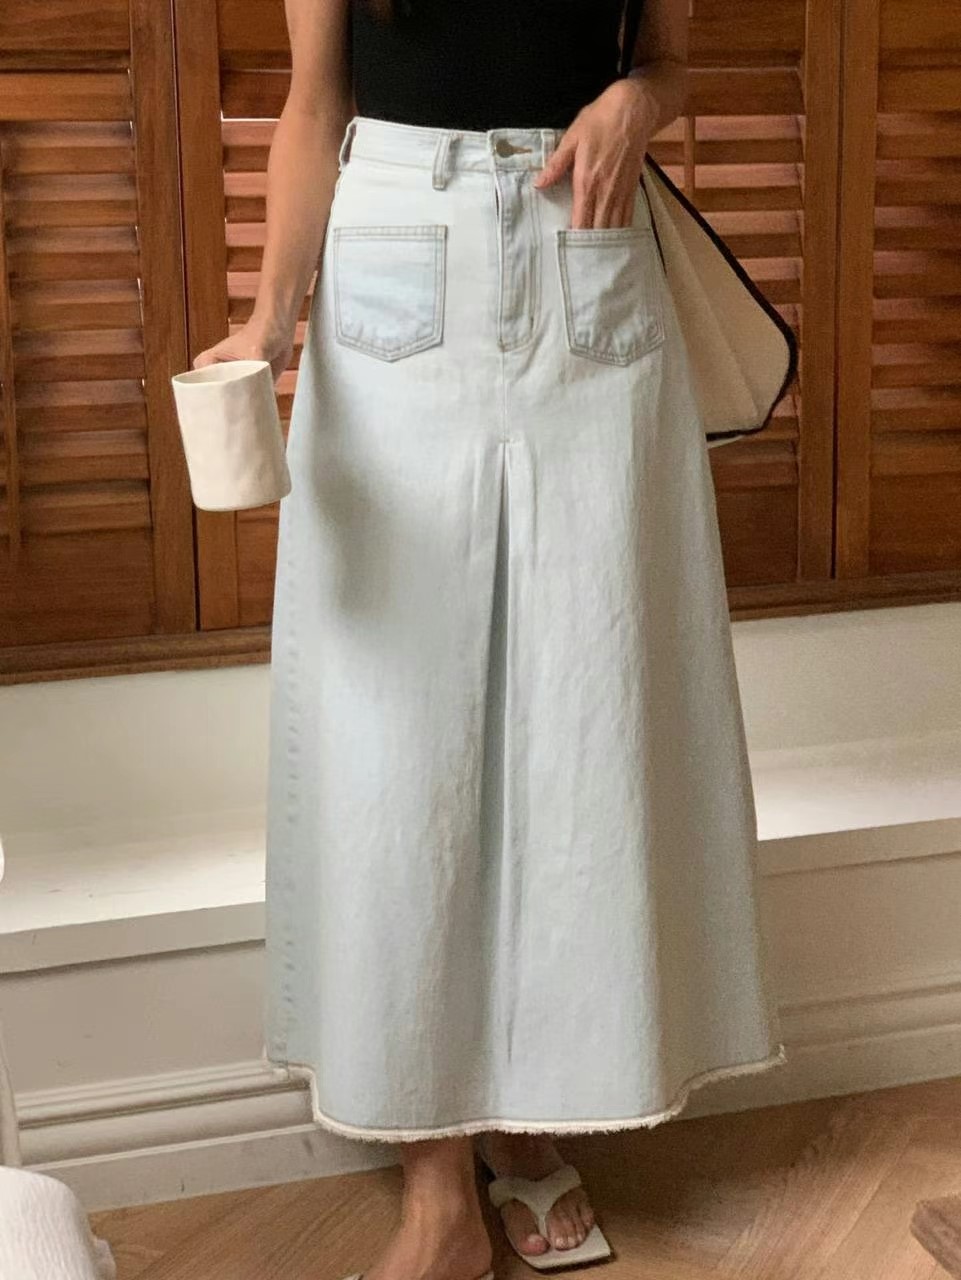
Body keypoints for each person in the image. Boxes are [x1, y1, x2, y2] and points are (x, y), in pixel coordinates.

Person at [194, 2, 787, 1278]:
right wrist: (269, 319)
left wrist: (636, 102)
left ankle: (533, 1117)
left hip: (588, 246)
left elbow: (667, 60)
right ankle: (436, 1188)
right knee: (400, 741)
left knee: (584, 713)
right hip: (394, 260)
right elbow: (316, 98)